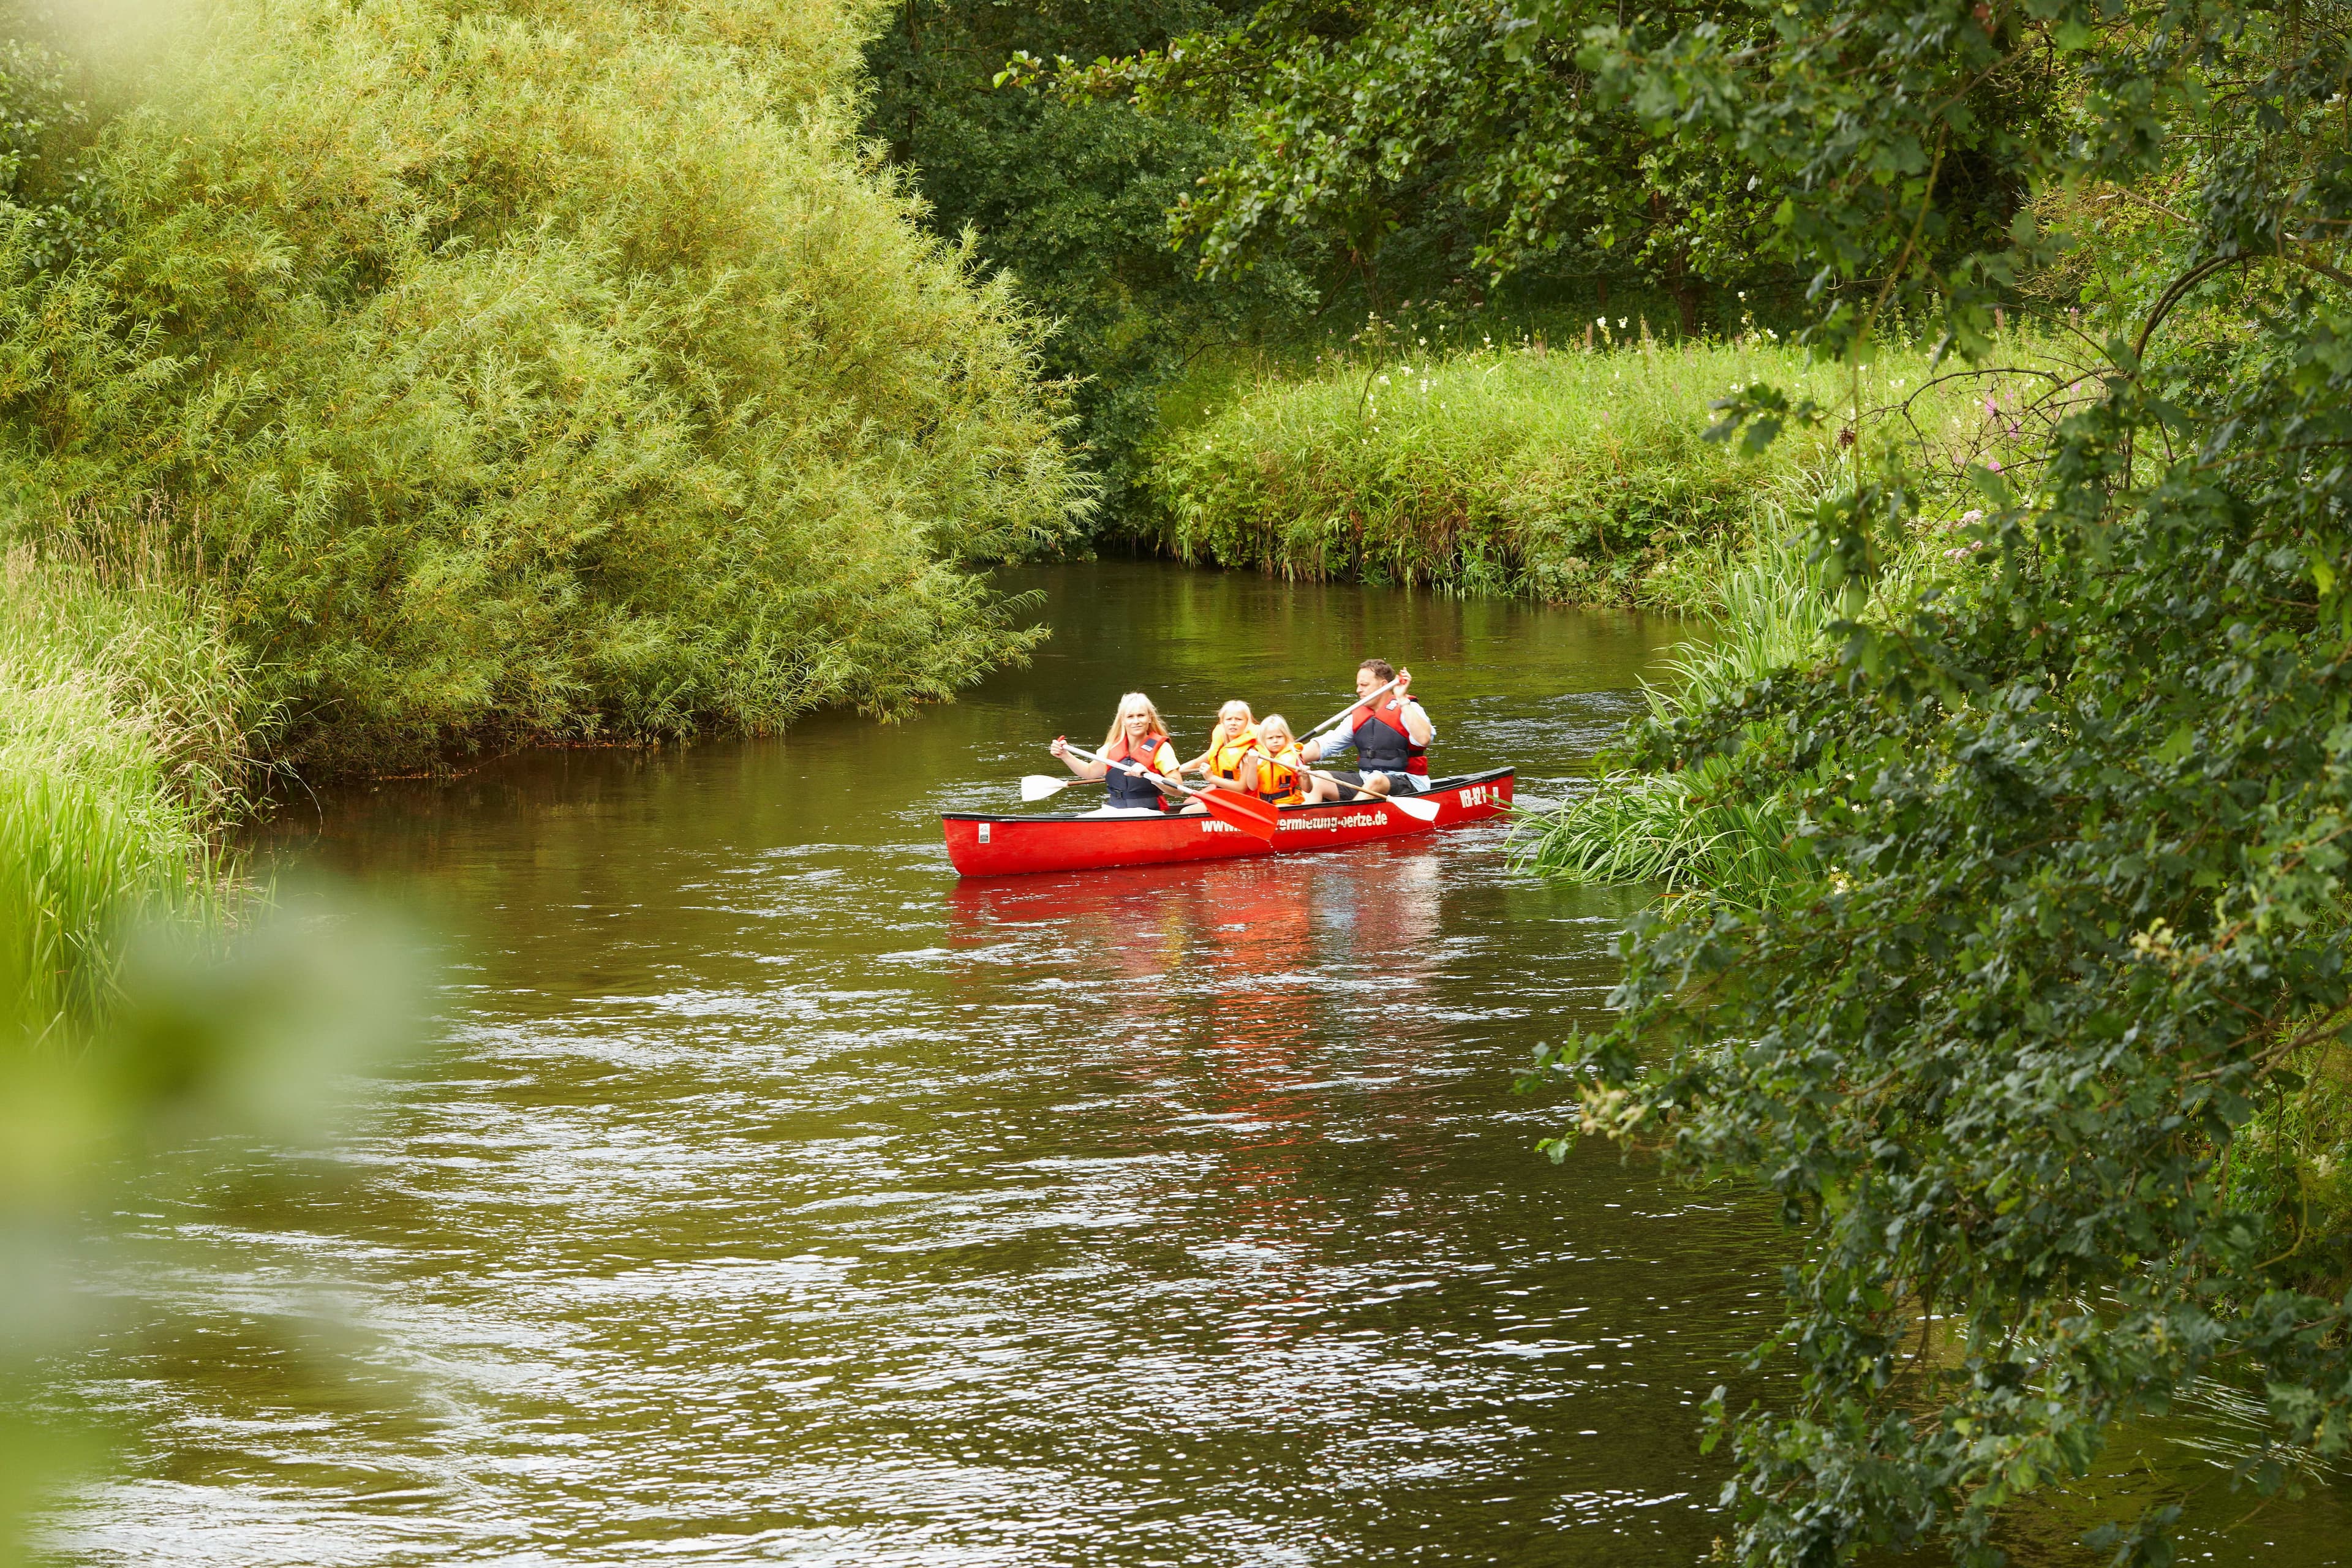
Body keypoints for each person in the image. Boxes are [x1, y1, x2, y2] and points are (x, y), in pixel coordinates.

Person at [1297, 658, 1434, 796]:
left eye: (1364, 685)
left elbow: (1424, 739)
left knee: (1376, 780)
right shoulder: (1357, 717)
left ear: (1383, 685)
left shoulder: (1408, 708)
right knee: (1316, 778)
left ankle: (1353, 817)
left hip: (1409, 781)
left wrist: (1403, 700)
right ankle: (1303, 817)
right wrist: (1291, 756)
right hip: (1366, 780)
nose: (1358, 690)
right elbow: (1324, 746)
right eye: (1358, 685)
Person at [1050, 693, 1187, 815]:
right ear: (1123, 720)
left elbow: (1178, 790)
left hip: (1148, 812)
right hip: (1114, 809)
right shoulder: (1112, 747)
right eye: (1130, 717)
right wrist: (1065, 756)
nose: (1136, 721)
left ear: (1150, 718)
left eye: (1141, 715)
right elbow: (1089, 772)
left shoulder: (1161, 748)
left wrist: (1151, 776)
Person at [1234, 714, 1320, 806]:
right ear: (1263, 740)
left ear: (1286, 737)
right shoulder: (1257, 757)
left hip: (1288, 804)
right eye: (1270, 738)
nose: (1275, 741)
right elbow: (1252, 787)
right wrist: (1252, 765)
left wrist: (1306, 777)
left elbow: (1308, 789)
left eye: (1279, 737)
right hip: (1264, 804)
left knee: (1282, 806)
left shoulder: (1294, 757)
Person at [1183, 701, 1259, 790]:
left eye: (1239, 719)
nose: (1233, 723)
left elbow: (1241, 788)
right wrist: (1172, 773)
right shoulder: (1222, 744)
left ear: (1247, 723)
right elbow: (1196, 763)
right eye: (1229, 719)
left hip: (1245, 798)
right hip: (1225, 793)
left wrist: (1211, 778)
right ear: (1222, 722)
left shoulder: (1250, 750)